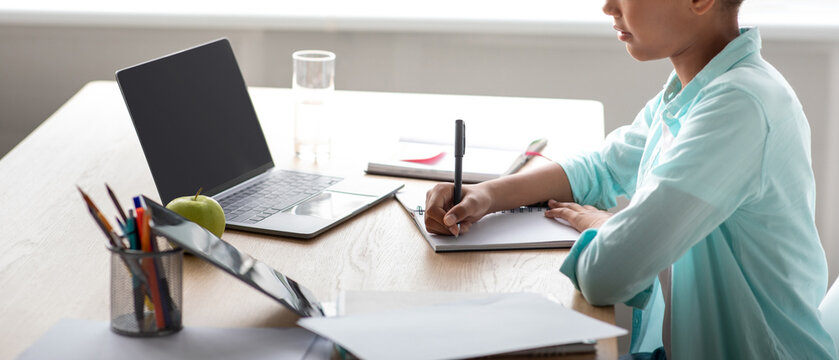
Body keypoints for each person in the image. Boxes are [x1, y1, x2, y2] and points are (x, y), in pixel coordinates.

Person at [423, 0, 838, 358]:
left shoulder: (739, 107)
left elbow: (609, 274)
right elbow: (603, 167)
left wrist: (602, 224)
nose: (607, 7)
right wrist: (486, 195)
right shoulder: (697, 88)